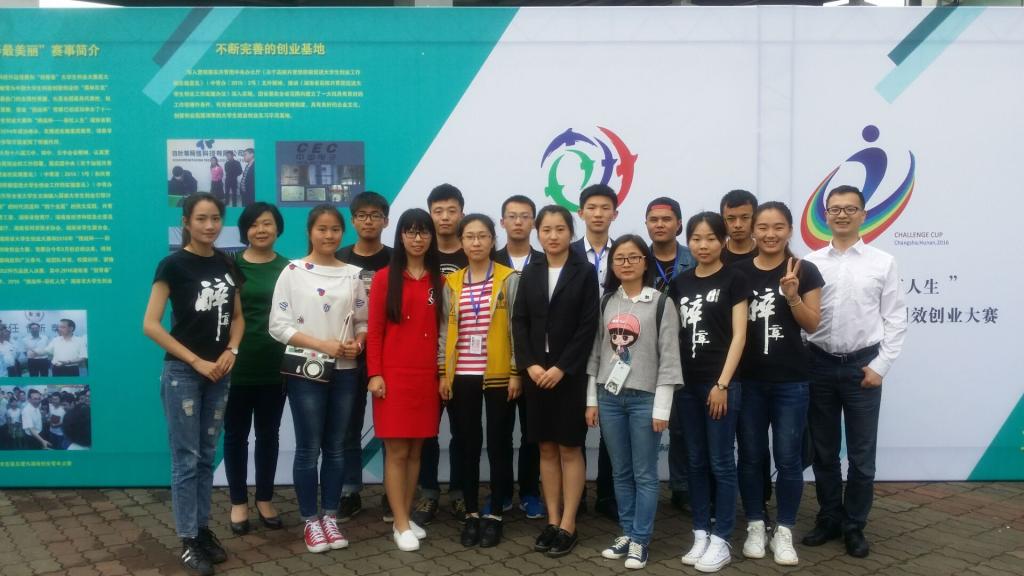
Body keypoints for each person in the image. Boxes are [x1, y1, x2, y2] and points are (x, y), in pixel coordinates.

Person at [802, 185, 907, 559]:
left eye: (850, 209)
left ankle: (854, 525)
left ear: (863, 214)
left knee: (862, 457)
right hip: (819, 365)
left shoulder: (883, 262)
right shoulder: (810, 262)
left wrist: (880, 366)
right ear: (826, 216)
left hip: (863, 368)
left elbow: (895, 319)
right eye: (835, 209)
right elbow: (803, 316)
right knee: (825, 452)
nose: (842, 215)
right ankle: (829, 516)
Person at [143, 192, 243, 576]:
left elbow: (238, 318)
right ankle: (188, 539)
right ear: (186, 221)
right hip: (184, 374)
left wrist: (231, 350)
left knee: (205, 456)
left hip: (219, 373)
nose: (209, 225)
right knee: (185, 459)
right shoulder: (172, 265)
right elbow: (151, 324)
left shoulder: (227, 262)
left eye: (215, 218)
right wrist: (196, 361)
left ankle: (202, 530)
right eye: (201, 218)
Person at [269, 205, 369, 554]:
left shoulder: (353, 275)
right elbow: (278, 326)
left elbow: (362, 321)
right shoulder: (293, 271)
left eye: (335, 229)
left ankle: (330, 516)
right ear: (310, 232)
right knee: (309, 448)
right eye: (322, 229)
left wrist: (358, 343)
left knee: (337, 447)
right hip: (306, 372)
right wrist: (323, 345)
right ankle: (310, 520)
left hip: (345, 372)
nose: (329, 235)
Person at [734, 201, 824, 566]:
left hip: (791, 382)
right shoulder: (738, 272)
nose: (770, 234)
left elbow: (812, 324)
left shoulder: (805, 269)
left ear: (789, 230)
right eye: (763, 227)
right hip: (748, 382)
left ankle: (784, 529)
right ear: (753, 230)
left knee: (788, 459)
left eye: (778, 227)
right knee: (751, 456)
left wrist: (792, 296)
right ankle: (756, 524)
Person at [586, 235, 682, 570]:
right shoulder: (606, 302)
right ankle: (627, 532)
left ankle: (641, 539)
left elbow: (669, 359)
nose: (626, 263)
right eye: (620, 258)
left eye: (633, 257)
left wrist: (662, 408)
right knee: (621, 472)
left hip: (645, 400)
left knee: (644, 473)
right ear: (612, 265)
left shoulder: (661, 302)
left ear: (645, 262)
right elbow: (596, 355)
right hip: (609, 397)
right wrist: (591, 400)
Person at [513, 204, 599, 558]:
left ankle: (568, 523)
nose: (552, 236)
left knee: (569, 447)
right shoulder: (531, 269)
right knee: (545, 447)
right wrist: (529, 365)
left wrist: (562, 367)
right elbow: (519, 321)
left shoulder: (584, 271)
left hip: (569, 374)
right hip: (537, 373)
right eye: (546, 230)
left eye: (559, 229)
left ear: (570, 232)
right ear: (538, 233)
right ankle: (551, 519)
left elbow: (588, 326)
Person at [671, 212, 748, 573]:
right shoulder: (680, 283)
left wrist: (722, 384)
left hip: (720, 385)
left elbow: (740, 335)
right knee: (696, 461)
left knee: (721, 462)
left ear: (722, 241)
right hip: (687, 385)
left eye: (711, 238)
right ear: (689, 242)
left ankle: (722, 538)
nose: (703, 245)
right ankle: (701, 531)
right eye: (696, 239)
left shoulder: (734, 278)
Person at [365, 208, 444, 552]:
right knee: (396, 451)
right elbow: (375, 331)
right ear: (400, 236)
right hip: (393, 377)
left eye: (423, 232)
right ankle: (399, 523)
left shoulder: (439, 281)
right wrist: (375, 374)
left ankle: (406, 516)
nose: (417, 238)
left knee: (415, 451)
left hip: (426, 378)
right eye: (410, 232)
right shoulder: (385, 278)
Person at [439, 214, 520, 548]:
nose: (476, 242)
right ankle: (471, 513)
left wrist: (516, 371)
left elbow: (518, 328)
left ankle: (496, 513)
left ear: (492, 240)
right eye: (469, 237)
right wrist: (443, 373)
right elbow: (444, 331)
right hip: (462, 376)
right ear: (461, 242)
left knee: (500, 445)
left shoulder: (509, 278)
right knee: (467, 446)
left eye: (482, 236)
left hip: (499, 375)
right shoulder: (452, 282)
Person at [223, 202, 289, 536]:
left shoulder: (289, 269)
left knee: (268, 435)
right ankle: (238, 501)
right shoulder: (229, 266)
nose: (261, 230)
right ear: (244, 230)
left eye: (267, 223)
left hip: (276, 367)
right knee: (235, 435)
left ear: (278, 228)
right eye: (254, 224)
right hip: (235, 366)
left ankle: (264, 498)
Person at [336, 191, 394, 524]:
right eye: (362, 215)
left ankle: (392, 492)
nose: (368, 221)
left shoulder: (397, 259)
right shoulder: (339, 259)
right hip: (349, 353)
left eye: (375, 215)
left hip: (389, 354)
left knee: (390, 427)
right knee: (348, 424)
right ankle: (350, 491)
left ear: (385, 220)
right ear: (353, 220)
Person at [414, 184, 468, 526]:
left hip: (464, 359)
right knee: (426, 431)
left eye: (451, 210)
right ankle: (428, 492)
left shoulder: (474, 251)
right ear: (430, 214)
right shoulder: (419, 253)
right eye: (438, 211)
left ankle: (460, 492)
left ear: (461, 212)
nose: (445, 217)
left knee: (463, 431)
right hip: (423, 358)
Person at [645, 197, 697, 511]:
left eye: (666, 219)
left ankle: (683, 488)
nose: (660, 225)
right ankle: (642, 489)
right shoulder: (637, 257)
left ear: (678, 224)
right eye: (654, 220)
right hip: (644, 351)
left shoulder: (695, 257)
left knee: (682, 425)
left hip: (688, 350)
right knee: (643, 422)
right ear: (646, 224)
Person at [570, 183, 619, 521]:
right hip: (576, 347)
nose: (598, 214)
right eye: (592, 207)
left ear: (614, 213)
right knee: (573, 424)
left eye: (605, 208)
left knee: (612, 424)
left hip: (618, 346)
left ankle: (608, 494)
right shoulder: (567, 251)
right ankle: (576, 497)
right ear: (581, 212)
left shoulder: (626, 251)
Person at [494, 195, 544, 520]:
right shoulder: (490, 261)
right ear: (502, 222)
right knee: (499, 432)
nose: (518, 222)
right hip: (498, 361)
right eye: (511, 216)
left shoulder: (546, 261)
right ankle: (500, 493)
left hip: (536, 363)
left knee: (532, 433)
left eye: (524, 216)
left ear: (533, 222)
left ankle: (529, 492)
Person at [720, 189, 758, 265]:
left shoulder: (766, 252)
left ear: (755, 217)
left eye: (745, 217)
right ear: (722, 220)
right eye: (731, 218)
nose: (738, 225)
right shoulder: (715, 254)